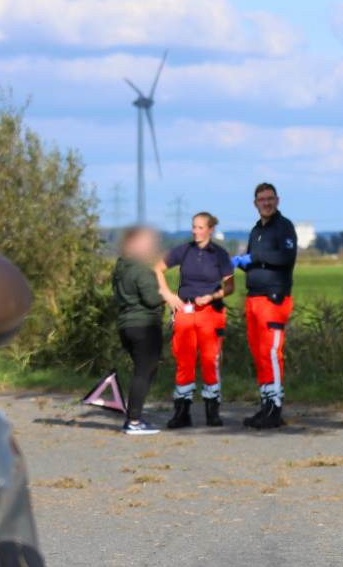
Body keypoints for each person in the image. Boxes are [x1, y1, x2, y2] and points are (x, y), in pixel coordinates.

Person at [155, 211, 236, 428]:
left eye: (200, 227)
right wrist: (168, 295)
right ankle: (182, 412)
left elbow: (230, 286)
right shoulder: (184, 250)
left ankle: (212, 411)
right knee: (184, 361)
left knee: (210, 360)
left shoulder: (220, 254)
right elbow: (158, 268)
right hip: (186, 310)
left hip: (211, 312)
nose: (195, 231)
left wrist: (212, 295)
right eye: (194, 227)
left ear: (210, 229)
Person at [233, 181, 297, 429]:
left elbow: (286, 257)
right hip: (253, 298)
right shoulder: (255, 230)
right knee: (259, 354)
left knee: (271, 354)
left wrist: (256, 257)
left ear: (277, 200)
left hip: (274, 298)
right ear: (255, 203)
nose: (267, 203)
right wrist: (238, 262)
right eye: (262, 200)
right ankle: (266, 405)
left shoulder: (284, 227)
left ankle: (275, 408)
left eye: (270, 199)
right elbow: (252, 261)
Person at [110, 226, 165, 435]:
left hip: (126, 325)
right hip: (145, 326)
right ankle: (133, 421)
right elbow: (151, 299)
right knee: (144, 372)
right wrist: (163, 294)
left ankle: (136, 415)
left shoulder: (120, 269)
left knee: (144, 370)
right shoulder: (141, 270)